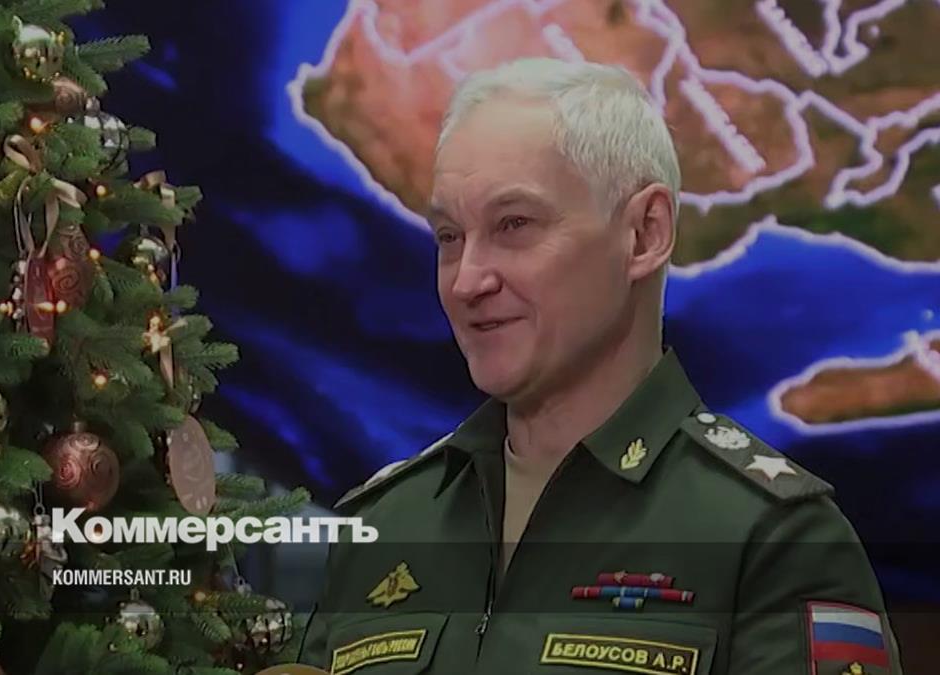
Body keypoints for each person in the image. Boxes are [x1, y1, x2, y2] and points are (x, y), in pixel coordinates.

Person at [296, 58, 902, 675]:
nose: (467, 281)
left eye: (514, 224)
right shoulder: (381, 525)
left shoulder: (774, 539)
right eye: (450, 237)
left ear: (644, 234)